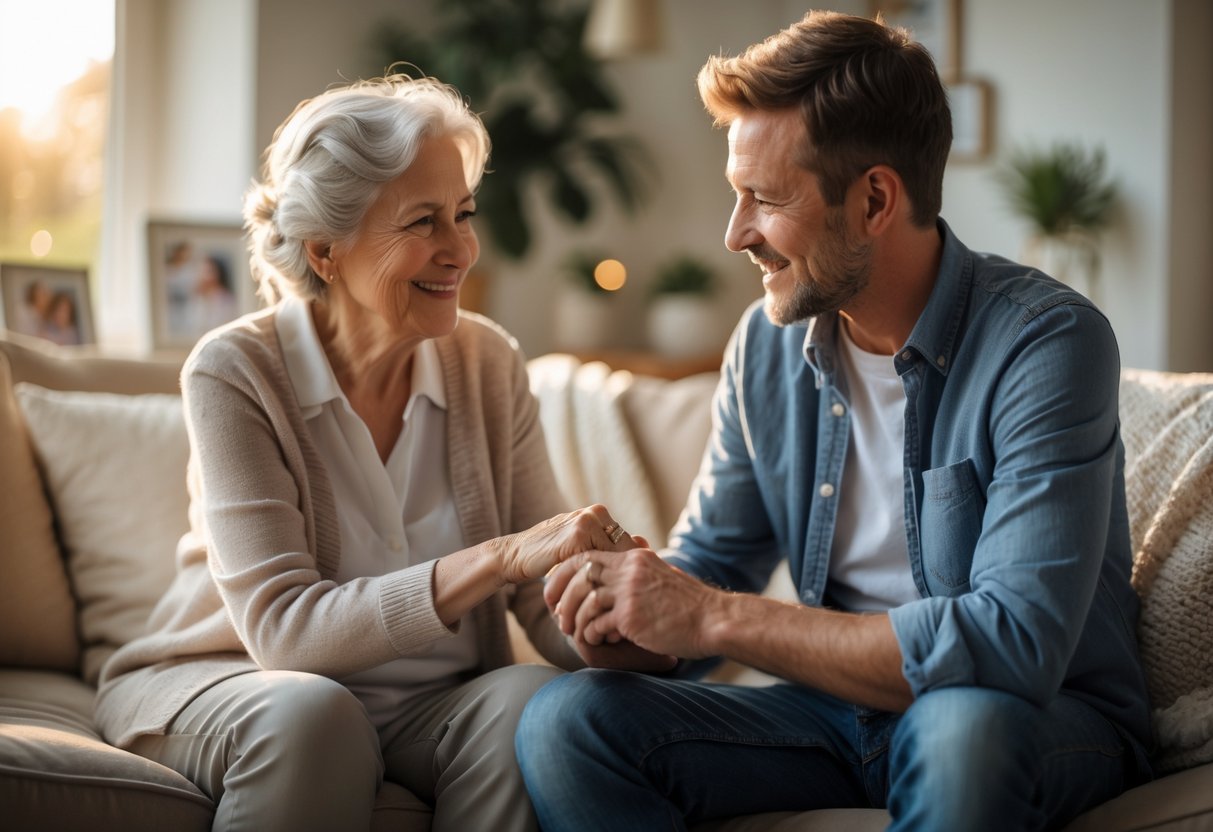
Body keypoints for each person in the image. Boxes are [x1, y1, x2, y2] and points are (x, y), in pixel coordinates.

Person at [515, 11, 1153, 831]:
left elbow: (1013, 645)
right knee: (569, 721)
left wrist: (708, 613)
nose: (734, 233)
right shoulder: (766, 345)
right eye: (733, 195)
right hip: (834, 716)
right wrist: (632, 621)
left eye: (764, 199)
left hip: (1035, 720)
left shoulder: (1046, 342)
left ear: (875, 199)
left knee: (957, 728)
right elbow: (714, 562)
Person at [95, 73, 648, 832]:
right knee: (315, 714)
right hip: (232, 681)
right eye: (423, 222)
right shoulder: (235, 370)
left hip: (431, 708)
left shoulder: (488, 361)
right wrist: (499, 555)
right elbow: (284, 632)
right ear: (326, 251)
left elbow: (537, 599)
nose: (461, 250)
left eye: (462, 214)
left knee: (531, 706)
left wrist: (612, 619)